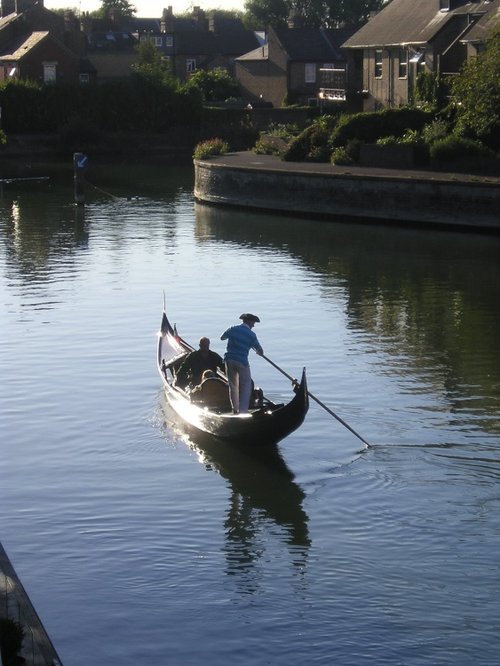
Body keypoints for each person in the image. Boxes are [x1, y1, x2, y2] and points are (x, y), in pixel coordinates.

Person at [220, 313, 264, 414]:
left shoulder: (232, 329)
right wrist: (258, 351)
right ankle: (243, 411)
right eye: (253, 323)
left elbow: (222, 338)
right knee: (246, 385)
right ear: (249, 321)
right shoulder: (252, 335)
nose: (254, 325)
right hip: (242, 361)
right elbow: (260, 351)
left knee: (233, 385)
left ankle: (235, 409)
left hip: (229, 360)